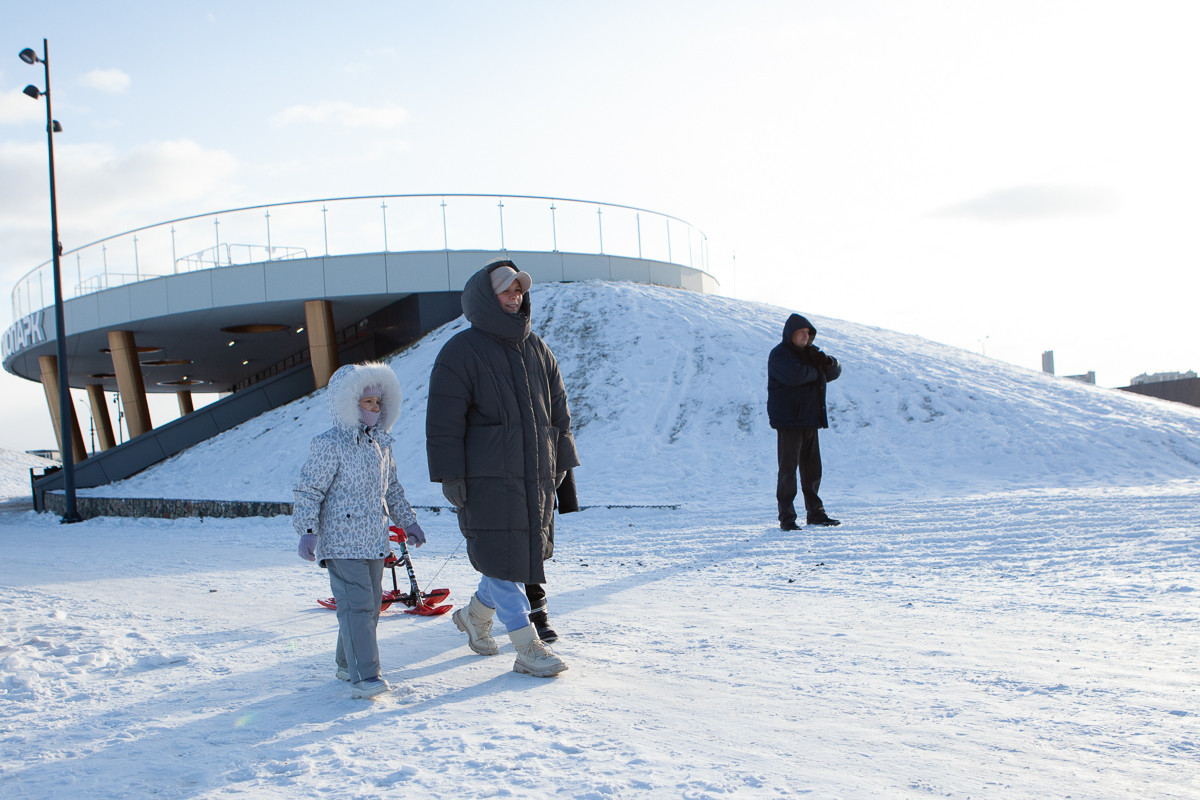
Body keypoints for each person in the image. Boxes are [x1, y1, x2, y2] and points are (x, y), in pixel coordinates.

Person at [427, 260, 579, 678]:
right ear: (486, 296)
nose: (516, 297)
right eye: (507, 291)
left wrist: (560, 461)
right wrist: (450, 474)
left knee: (511, 553)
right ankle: (527, 645)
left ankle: (476, 616)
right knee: (501, 552)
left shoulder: (537, 349)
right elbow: (443, 421)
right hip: (485, 475)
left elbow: (560, 412)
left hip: (535, 474)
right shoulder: (461, 351)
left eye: (519, 291)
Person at [294, 362, 427, 698]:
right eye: (368, 402)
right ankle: (365, 676)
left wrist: (407, 521)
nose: (375, 408)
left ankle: (345, 662)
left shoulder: (381, 443)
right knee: (356, 606)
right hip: (340, 541)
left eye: (378, 403)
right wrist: (308, 529)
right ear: (348, 403)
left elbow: (392, 488)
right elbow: (309, 490)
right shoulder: (330, 444)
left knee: (367, 607)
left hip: (373, 538)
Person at [767, 313, 842, 529]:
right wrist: (819, 370)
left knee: (813, 471)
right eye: (801, 332)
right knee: (788, 471)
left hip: (810, 420)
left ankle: (816, 513)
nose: (805, 336)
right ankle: (787, 518)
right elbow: (796, 376)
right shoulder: (780, 355)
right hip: (789, 421)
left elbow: (834, 371)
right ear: (791, 334)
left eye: (808, 333)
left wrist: (827, 362)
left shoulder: (811, 354)